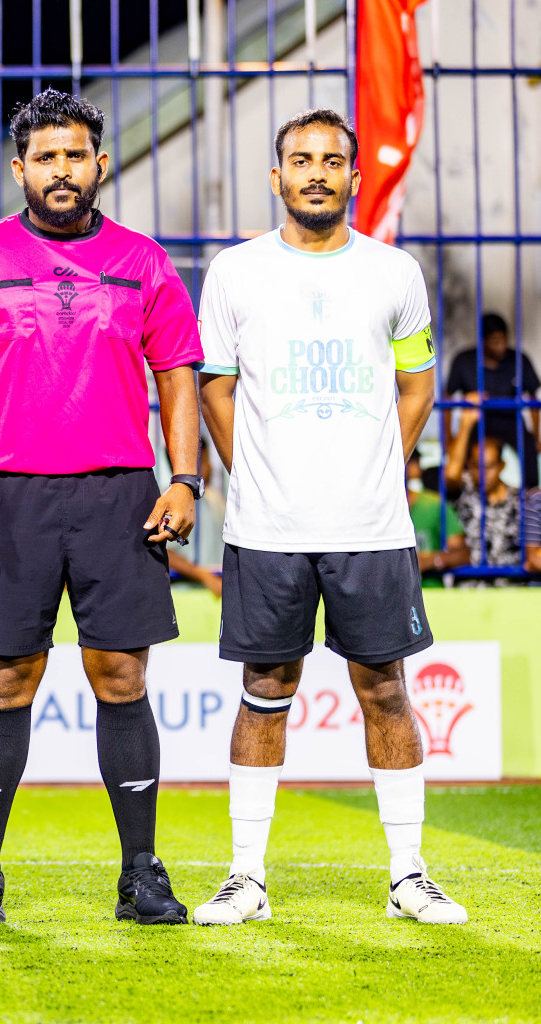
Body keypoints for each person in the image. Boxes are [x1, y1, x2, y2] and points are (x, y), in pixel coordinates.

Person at [0, 89, 201, 927]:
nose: (61, 169)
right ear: (19, 170)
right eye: (45, 157)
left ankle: (142, 873)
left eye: (75, 154)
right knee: (7, 680)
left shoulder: (145, 262)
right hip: (5, 496)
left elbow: (179, 373)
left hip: (120, 493)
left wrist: (185, 478)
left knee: (121, 676)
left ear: (100, 163)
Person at [193, 109, 465, 925]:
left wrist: (385, 458)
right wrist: (257, 470)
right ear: (276, 177)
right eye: (300, 160)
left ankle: (408, 874)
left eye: (332, 161)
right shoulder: (235, 272)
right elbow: (214, 386)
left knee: (385, 690)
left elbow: (416, 384)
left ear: (354, 177)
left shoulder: (394, 272)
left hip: (372, 527)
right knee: (264, 689)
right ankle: (246, 878)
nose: (317, 172)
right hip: (268, 530)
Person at [444, 312, 538, 487]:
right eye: (495, 341)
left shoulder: (518, 359)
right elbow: (447, 400)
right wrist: (448, 437)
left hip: (510, 420)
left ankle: (530, 500)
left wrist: (537, 436)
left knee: (529, 452)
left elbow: (533, 399)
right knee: (460, 458)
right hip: (477, 420)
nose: (501, 346)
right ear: (483, 341)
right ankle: (464, 498)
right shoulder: (464, 361)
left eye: (503, 340)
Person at [445, 426, 522, 583]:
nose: (482, 473)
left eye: (489, 466)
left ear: (502, 465)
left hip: (512, 591)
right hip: (469, 589)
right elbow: (451, 474)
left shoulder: (519, 500)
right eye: (476, 466)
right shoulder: (465, 492)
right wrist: (466, 423)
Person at [168, 437, 227, 596]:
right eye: (204, 461)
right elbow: (164, 552)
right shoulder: (167, 501)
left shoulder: (215, 499)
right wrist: (203, 576)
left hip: (216, 594)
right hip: (183, 594)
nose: (210, 466)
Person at [407, 452, 467, 585]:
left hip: (430, 598)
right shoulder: (370, 508)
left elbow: (463, 554)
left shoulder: (435, 505)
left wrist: (431, 561)